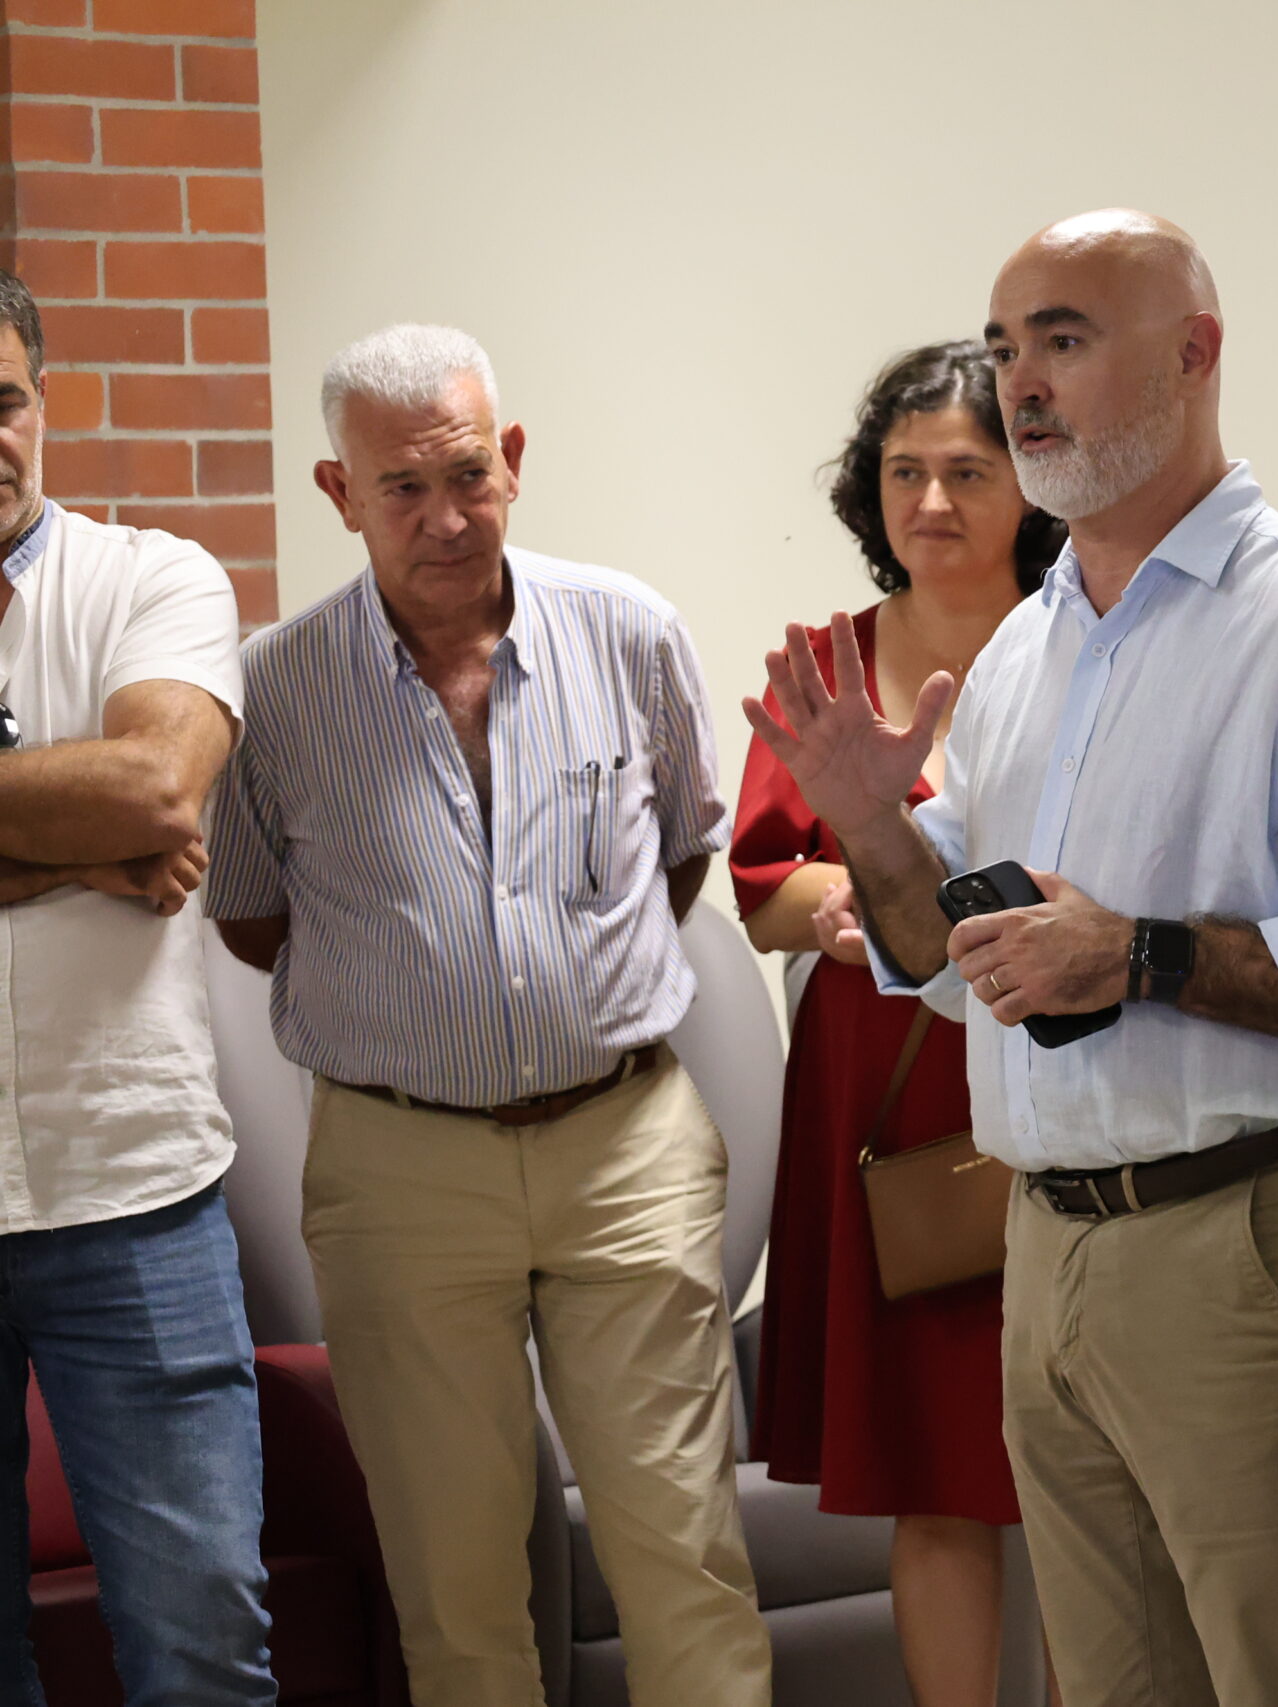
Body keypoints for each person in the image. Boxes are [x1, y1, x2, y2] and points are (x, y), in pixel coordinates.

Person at [742, 210, 1278, 1707]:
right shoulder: (1033, 649)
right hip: (1049, 1234)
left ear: (1194, 352)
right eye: (1007, 348)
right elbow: (944, 949)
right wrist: (874, 827)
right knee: (1114, 1684)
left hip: (1245, 1228)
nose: (1021, 384)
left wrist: (1138, 954)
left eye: (1066, 340)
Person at [204, 324, 769, 1707]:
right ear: (339, 492)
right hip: (401, 1168)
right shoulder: (275, 688)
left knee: (685, 1559)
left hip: (625, 1145)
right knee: (455, 1596)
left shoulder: (629, 631)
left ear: (511, 458)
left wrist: (566, 987)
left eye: (466, 474)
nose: (445, 517)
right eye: (401, 487)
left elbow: (681, 859)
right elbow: (253, 919)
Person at [731, 339, 1063, 1707]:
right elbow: (758, 888)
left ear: (1030, 485)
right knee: (932, 1470)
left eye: (967, 472)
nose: (931, 501)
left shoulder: (1086, 639)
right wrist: (844, 900)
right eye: (904, 471)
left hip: (1057, 1066)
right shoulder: (824, 660)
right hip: (889, 1096)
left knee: (1088, 1467)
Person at [0, 271, 277, 1705]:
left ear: (43, 405)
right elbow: (117, 815)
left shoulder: (153, 578)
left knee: (200, 1640)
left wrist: (122, 822)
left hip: (134, 1196)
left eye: (2, 402)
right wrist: (78, 850)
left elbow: (159, 788)